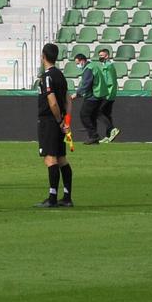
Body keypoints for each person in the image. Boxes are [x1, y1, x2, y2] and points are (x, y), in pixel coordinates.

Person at [37, 43, 73, 208]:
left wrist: (59, 121)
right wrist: (66, 122)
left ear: (43, 56)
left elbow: (52, 102)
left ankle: (52, 197)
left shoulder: (47, 77)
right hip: (59, 121)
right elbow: (68, 100)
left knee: (50, 158)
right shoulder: (61, 75)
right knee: (61, 158)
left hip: (50, 121)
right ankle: (66, 196)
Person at [93, 48, 119, 143]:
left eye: (102, 55)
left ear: (107, 56)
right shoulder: (108, 66)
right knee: (107, 114)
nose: (100, 57)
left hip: (107, 94)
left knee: (97, 111)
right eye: (99, 56)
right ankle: (109, 136)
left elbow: (109, 82)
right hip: (111, 94)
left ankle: (112, 129)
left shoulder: (107, 67)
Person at [72, 53, 98, 144]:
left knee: (84, 115)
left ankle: (93, 136)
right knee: (91, 116)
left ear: (82, 60)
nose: (77, 65)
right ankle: (94, 138)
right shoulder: (92, 66)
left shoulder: (88, 69)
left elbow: (86, 84)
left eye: (77, 63)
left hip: (92, 96)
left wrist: (77, 94)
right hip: (96, 95)